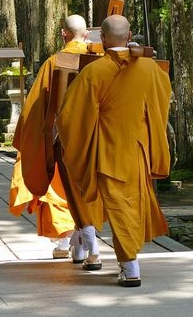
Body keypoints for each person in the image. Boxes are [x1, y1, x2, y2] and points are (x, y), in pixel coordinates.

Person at [56, 15, 172, 288]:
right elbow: (162, 100)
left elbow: (70, 117)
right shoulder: (150, 68)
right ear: (130, 34)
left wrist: (79, 143)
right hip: (139, 150)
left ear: (102, 39)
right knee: (132, 206)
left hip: (109, 151)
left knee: (121, 207)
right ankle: (127, 260)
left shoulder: (95, 72)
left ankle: (130, 266)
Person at [9, 14, 104, 267]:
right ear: (87, 35)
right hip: (97, 141)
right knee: (87, 193)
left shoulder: (54, 62)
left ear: (63, 34)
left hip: (63, 141)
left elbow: (36, 107)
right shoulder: (101, 60)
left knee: (64, 192)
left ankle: (86, 246)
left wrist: (31, 141)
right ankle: (79, 245)